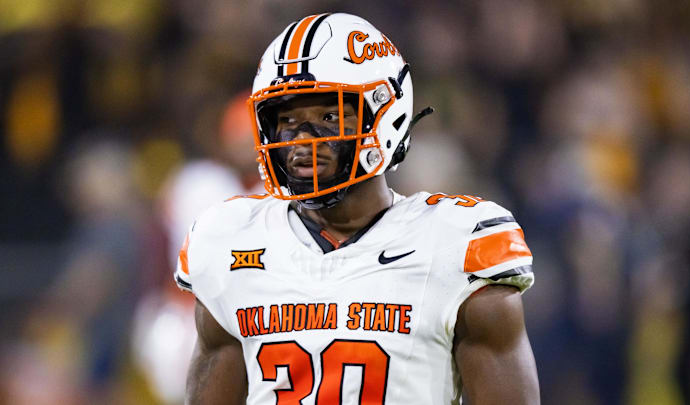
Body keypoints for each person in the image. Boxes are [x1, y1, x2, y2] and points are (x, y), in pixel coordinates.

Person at [175, 13, 539, 404]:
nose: (302, 138)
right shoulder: (229, 241)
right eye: (287, 120)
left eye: (327, 116)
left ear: (386, 113)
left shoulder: (456, 245)